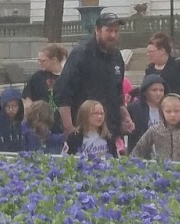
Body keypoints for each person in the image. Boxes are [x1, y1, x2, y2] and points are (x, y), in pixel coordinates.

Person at [56, 12, 133, 146]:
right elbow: (63, 93)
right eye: (108, 30)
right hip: (84, 129)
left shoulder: (116, 56)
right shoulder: (81, 54)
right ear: (97, 30)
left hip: (109, 129)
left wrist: (125, 117)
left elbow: (118, 94)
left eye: (116, 31)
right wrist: (69, 128)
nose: (113, 35)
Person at [142, 31, 180, 119]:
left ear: (162, 51)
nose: (148, 54)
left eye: (151, 51)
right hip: (159, 114)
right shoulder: (150, 69)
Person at [127, 74, 167, 152]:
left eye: (161, 90)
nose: (158, 93)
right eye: (154, 90)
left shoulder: (168, 108)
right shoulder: (135, 108)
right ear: (145, 92)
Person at [22, 44, 66, 112]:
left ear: (54, 59)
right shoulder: (37, 77)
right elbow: (28, 98)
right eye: (38, 60)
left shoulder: (67, 76)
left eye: (43, 61)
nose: (40, 63)